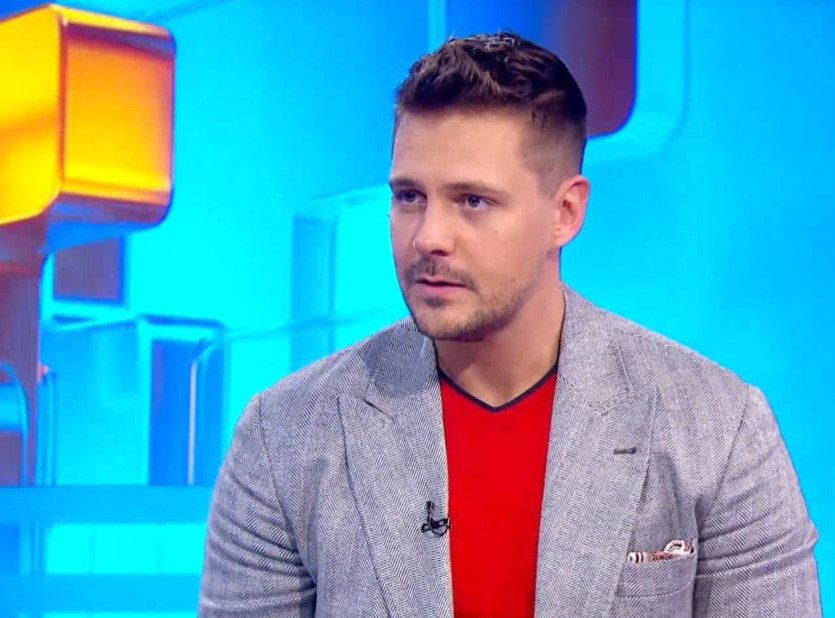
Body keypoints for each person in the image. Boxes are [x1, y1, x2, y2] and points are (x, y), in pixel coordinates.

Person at [198, 32, 821, 617]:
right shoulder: (285, 436)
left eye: (473, 201)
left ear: (565, 212)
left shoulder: (718, 428)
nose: (428, 237)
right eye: (409, 196)